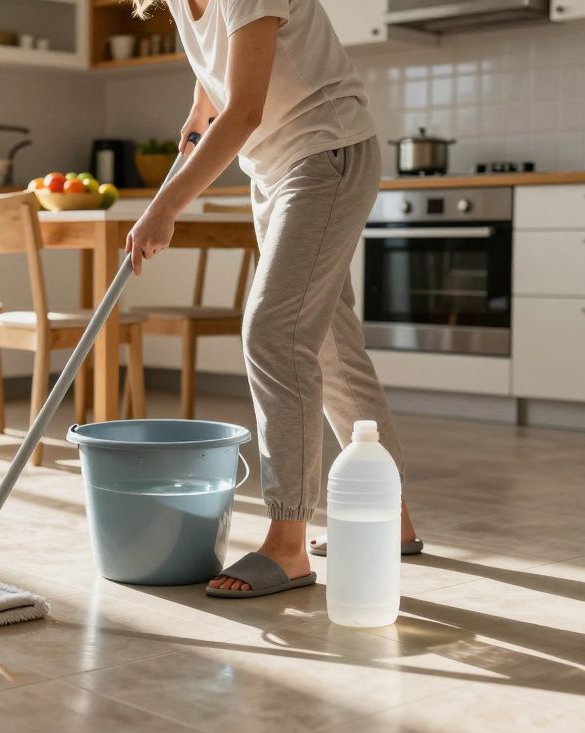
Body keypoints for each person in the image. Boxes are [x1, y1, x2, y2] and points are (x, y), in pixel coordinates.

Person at [125, 0, 421, 598]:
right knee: (332, 346)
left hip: (325, 153)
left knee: (274, 333)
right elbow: (222, 69)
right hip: (276, 169)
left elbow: (245, 112)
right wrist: (198, 105)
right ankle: (393, 519)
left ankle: (287, 543)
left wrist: (166, 207)